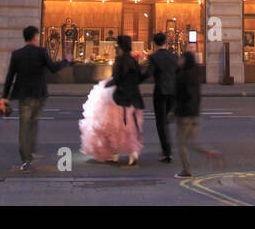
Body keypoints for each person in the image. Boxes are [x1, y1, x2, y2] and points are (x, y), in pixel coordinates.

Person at [0, 26, 69, 172]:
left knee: (24, 127)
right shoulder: (41, 52)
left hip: (24, 95)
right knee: (34, 125)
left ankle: (26, 160)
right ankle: (30, 152)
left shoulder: (17, 54)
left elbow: (10, 77)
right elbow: (53, 68)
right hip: (39, 95)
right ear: (35, 37)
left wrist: (4, 97)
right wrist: (66, 61)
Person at [80, 35, 145, 165]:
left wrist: (104, 86)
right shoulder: (133, 61)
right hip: (132, 97)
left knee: (111, 127)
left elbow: (116, 78)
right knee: (129, 127)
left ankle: (114, 153)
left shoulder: (119, 61)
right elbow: (139, 78)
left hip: (118, 97)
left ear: (119, 47)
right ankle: (133, 153)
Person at [173, 50, 221, 177]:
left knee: (181, 144)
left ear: (185, 60)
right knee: (193, 143)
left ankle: (186, 169)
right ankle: (210, 153)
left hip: (184, 115)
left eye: (181, 58)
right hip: (195, 113)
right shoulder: (196, 74)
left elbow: (179, 95)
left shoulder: (182, 76)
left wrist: (174, 112)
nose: (179, 61)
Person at [140, 31, 177, 163]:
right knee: (165, 121)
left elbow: (148, 73)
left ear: (154, 43)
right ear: (166, 42)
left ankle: (167, 152)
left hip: (160, 92)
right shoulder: (174, 57)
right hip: (173, 92)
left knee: (161, 123)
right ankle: (168, 148)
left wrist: (137, 79)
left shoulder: (154, 57)